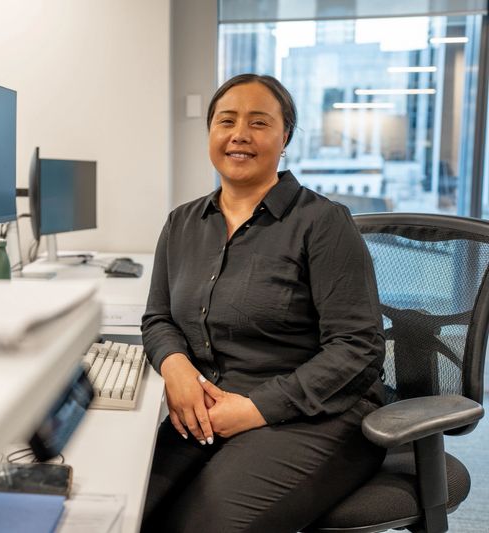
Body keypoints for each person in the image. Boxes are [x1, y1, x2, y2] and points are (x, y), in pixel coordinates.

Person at [140, 74, 387, 532]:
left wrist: (254, 409)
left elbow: (359, 348)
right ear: (211, 132)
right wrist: (175, 366)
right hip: (208, 409)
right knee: (129, 506)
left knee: (202, 527)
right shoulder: (182, 223)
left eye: (259, 122)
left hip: (313, 415)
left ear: (285, 136)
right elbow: (158, 319)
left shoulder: (323, 223)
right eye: (226, 121)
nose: (239, 135)